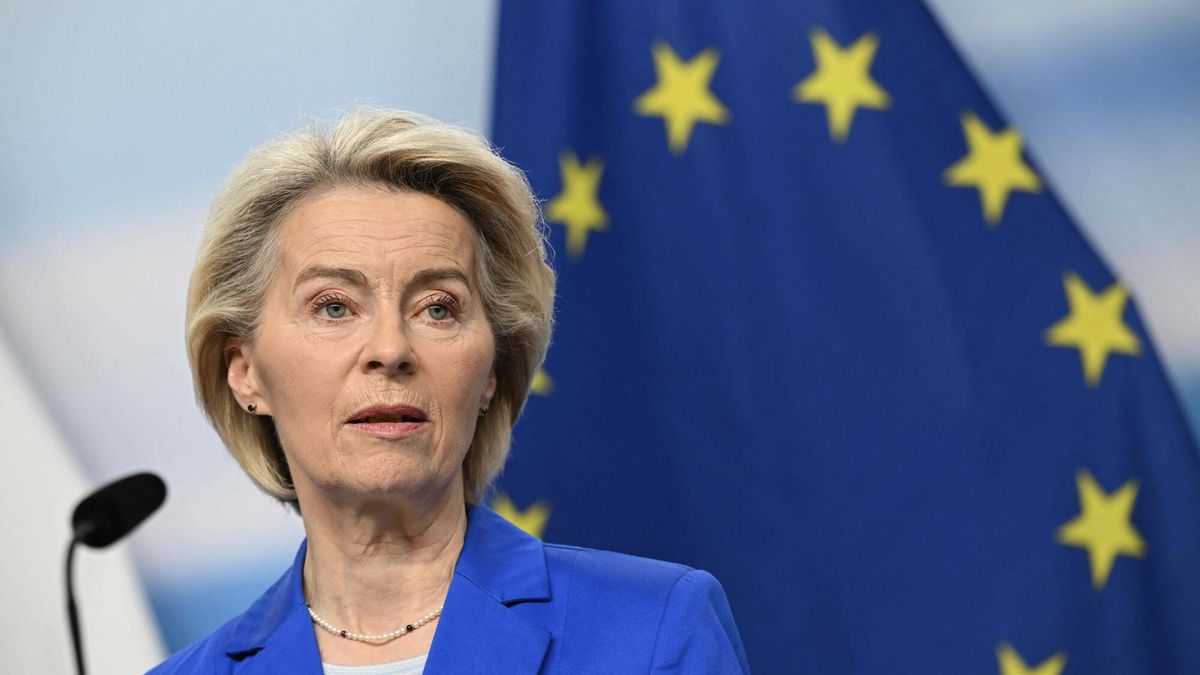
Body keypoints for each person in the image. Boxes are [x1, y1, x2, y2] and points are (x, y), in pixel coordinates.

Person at [150, 108, 750, 674]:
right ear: (244, 370)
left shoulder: (653, 632)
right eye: (334, 306)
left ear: (491, 371)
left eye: (438, 308)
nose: (391, 349)